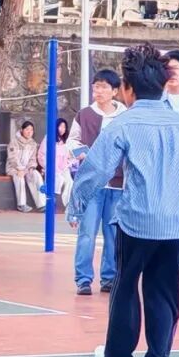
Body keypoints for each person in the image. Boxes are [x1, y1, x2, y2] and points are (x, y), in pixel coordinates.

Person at [67, 43, 179, 357]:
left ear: (127, 89)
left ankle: (118, 356)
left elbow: (95, 169)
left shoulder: (123, 124)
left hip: (137, 221)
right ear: (163, 86)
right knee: (164, 289)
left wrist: (77, 205)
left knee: (126, 285)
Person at [67, 70, 126, 295]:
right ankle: (83, 279)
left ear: (114, 91)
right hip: (92, 184)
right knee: (87, 233)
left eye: (103, 87)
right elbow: (72, 141)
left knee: (113, 235)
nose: (98, 91)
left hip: (118, 184)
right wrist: (84, 154)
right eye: (96, 87)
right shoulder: (84, 115)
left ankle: (109, 277)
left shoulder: (125, 115)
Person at [6, 120, 45, 213]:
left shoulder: (33, 144)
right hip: (14, 168)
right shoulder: (14, 142)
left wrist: (31, 168)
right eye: (27, 129)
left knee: (36, 175)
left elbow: (32, 159)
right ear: (22, 130)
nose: (29, 132)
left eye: (31, 130)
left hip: (26, 169)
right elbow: (12, 158)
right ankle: (21, 204)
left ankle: (42, 204)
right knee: (19, 177)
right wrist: (19, 169)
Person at [38, 117, 72, 210]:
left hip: (63, 168)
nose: (62, 129)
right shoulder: (48, 138)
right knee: (59, 179)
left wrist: (69, 162)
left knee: (69, 181)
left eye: (64, 127)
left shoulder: (65, 142)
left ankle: (68, 204)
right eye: (60, 126)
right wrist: (49, 166)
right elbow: (42, 155)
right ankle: (52, 200)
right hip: (51, 167)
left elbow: (67, 157)